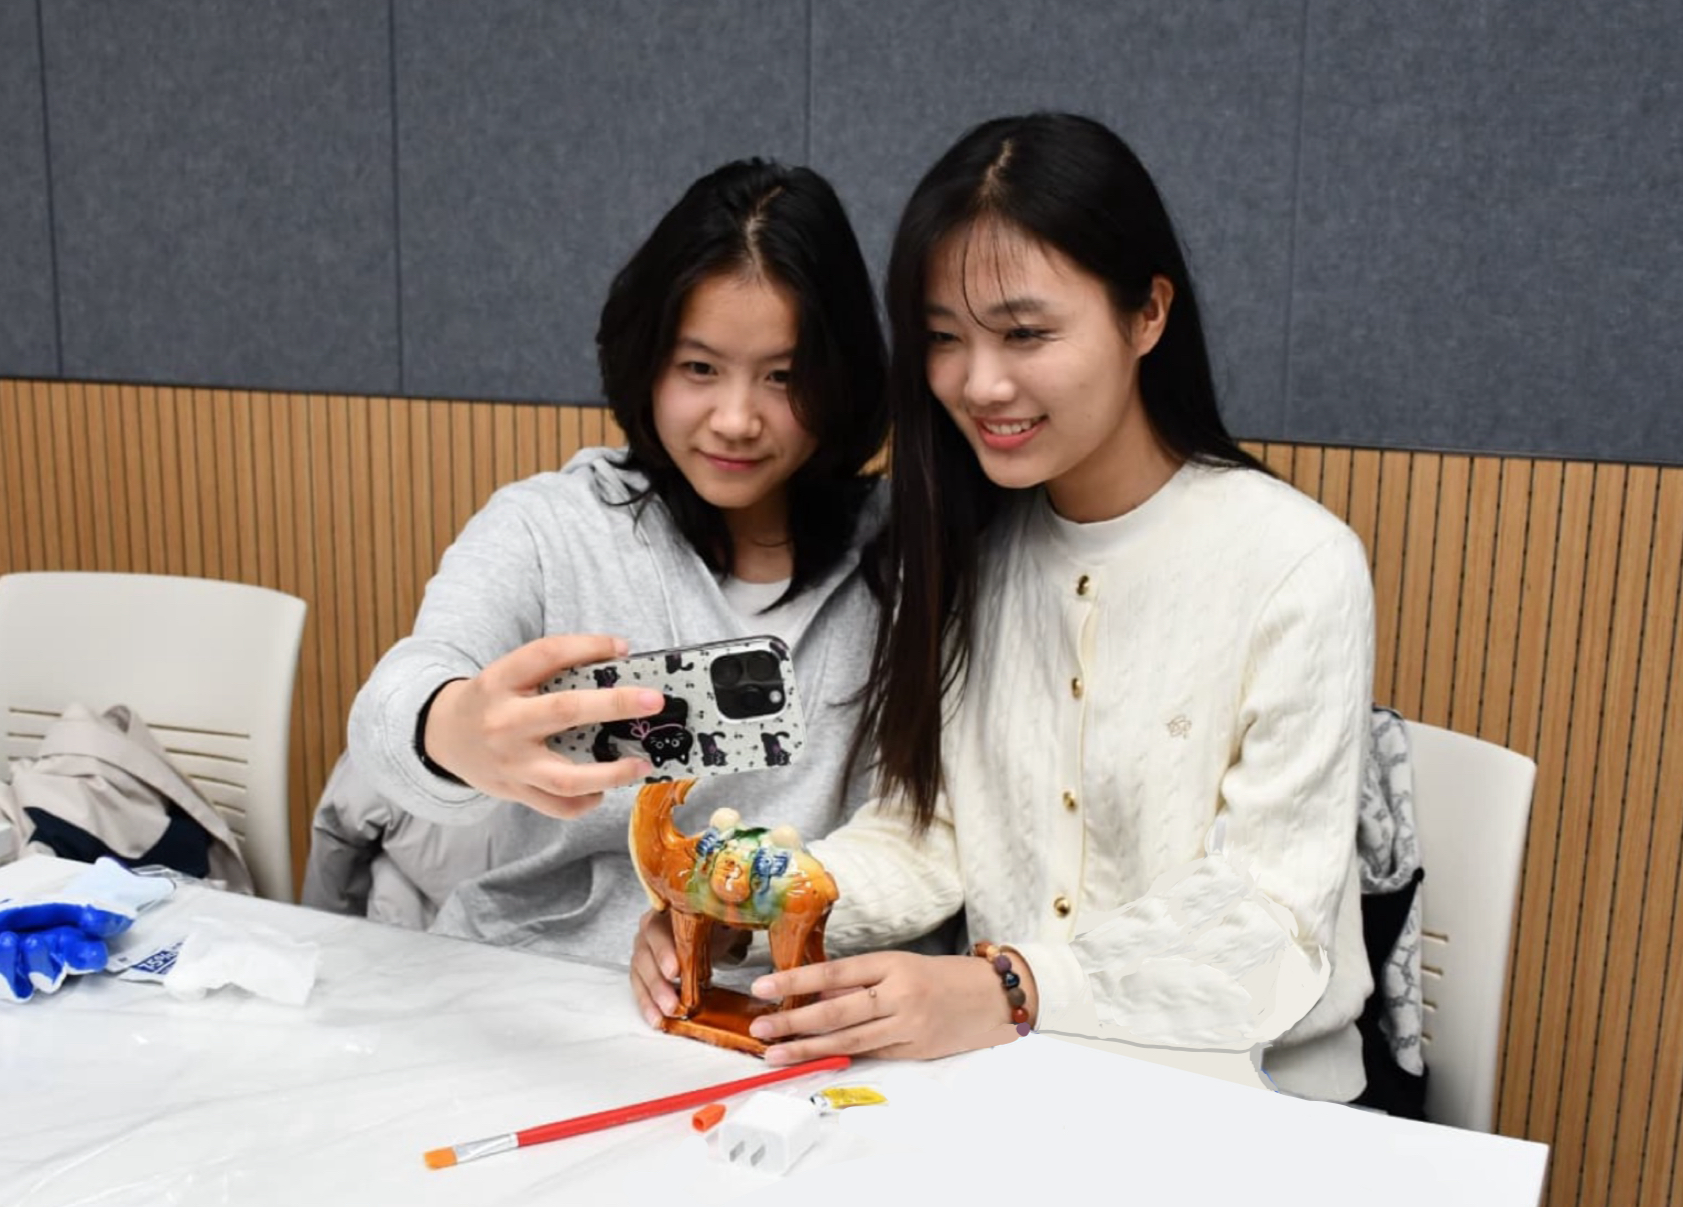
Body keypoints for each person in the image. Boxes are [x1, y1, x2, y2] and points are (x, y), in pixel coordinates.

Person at [642, 113, 1375, 1102]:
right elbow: (931, 833)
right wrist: (748, 902)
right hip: (1021, 1086)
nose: (980, 383)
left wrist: (1013, 987)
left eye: (1025, 333)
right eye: (944, 339)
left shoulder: (1297, 563)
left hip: (1252, 1100)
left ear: (1147, 314)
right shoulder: (964, 551)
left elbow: (1269, 919)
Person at [344, 158, 905, 995]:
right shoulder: (551, 526)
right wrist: (451, 727)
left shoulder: (906, 550)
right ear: (647, 360)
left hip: (783, 1000)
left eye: (784, 377)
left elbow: (928, 835)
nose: (736, 419)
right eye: (699, 368)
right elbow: (394, 703)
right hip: (545, 979)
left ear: (841, 378)